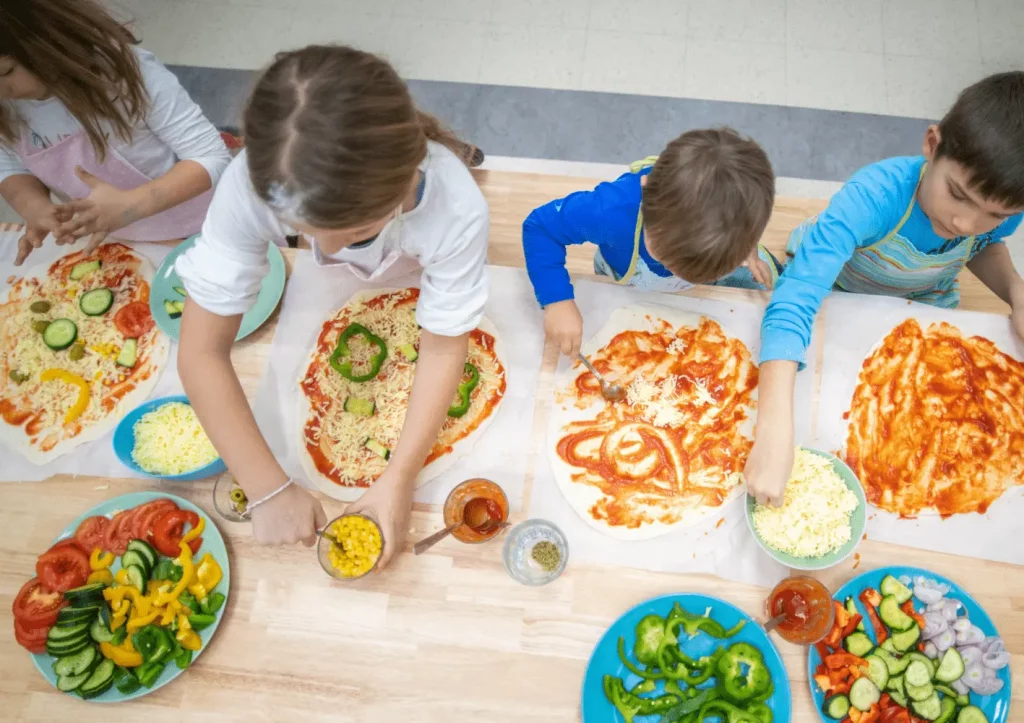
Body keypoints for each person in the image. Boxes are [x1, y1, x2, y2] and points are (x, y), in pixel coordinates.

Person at [176, 46, 489, 566]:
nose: (331, 252)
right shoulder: (249, 186)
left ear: (408, 171)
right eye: (304, 235)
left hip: (418, 274)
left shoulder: (455, 207)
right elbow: (200, 353)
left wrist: (399, 476)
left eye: (360, 232)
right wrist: (267, 488)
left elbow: (440, 349)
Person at [745, 71, 1024, 507]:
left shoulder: (997, 213)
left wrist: (1016, 291)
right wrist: (773, 430)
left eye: (995, 214)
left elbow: (983, 246)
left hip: (921, 300)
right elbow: (796, 299)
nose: (965, 224)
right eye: (958, 195)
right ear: (932, 145)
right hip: (838, 289)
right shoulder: (873, 198)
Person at [0, 0, 230, 265]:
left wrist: (128, 207)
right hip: (115, 242)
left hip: (200, 226)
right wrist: (34, 207)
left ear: (48, 38)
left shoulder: (125, 75)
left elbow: (211, 157)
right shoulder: (6, 107)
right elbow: (9, 166)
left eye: (7, 71)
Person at [522, 128, 779, 358]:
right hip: (628, 274)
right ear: (645, 191)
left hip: (709, 258)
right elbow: (540, 227)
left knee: (773, 284)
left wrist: (749, 252)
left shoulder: (736, 215)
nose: (673, 269)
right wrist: (557, 300)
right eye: (665, 257)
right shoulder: (609, 212)